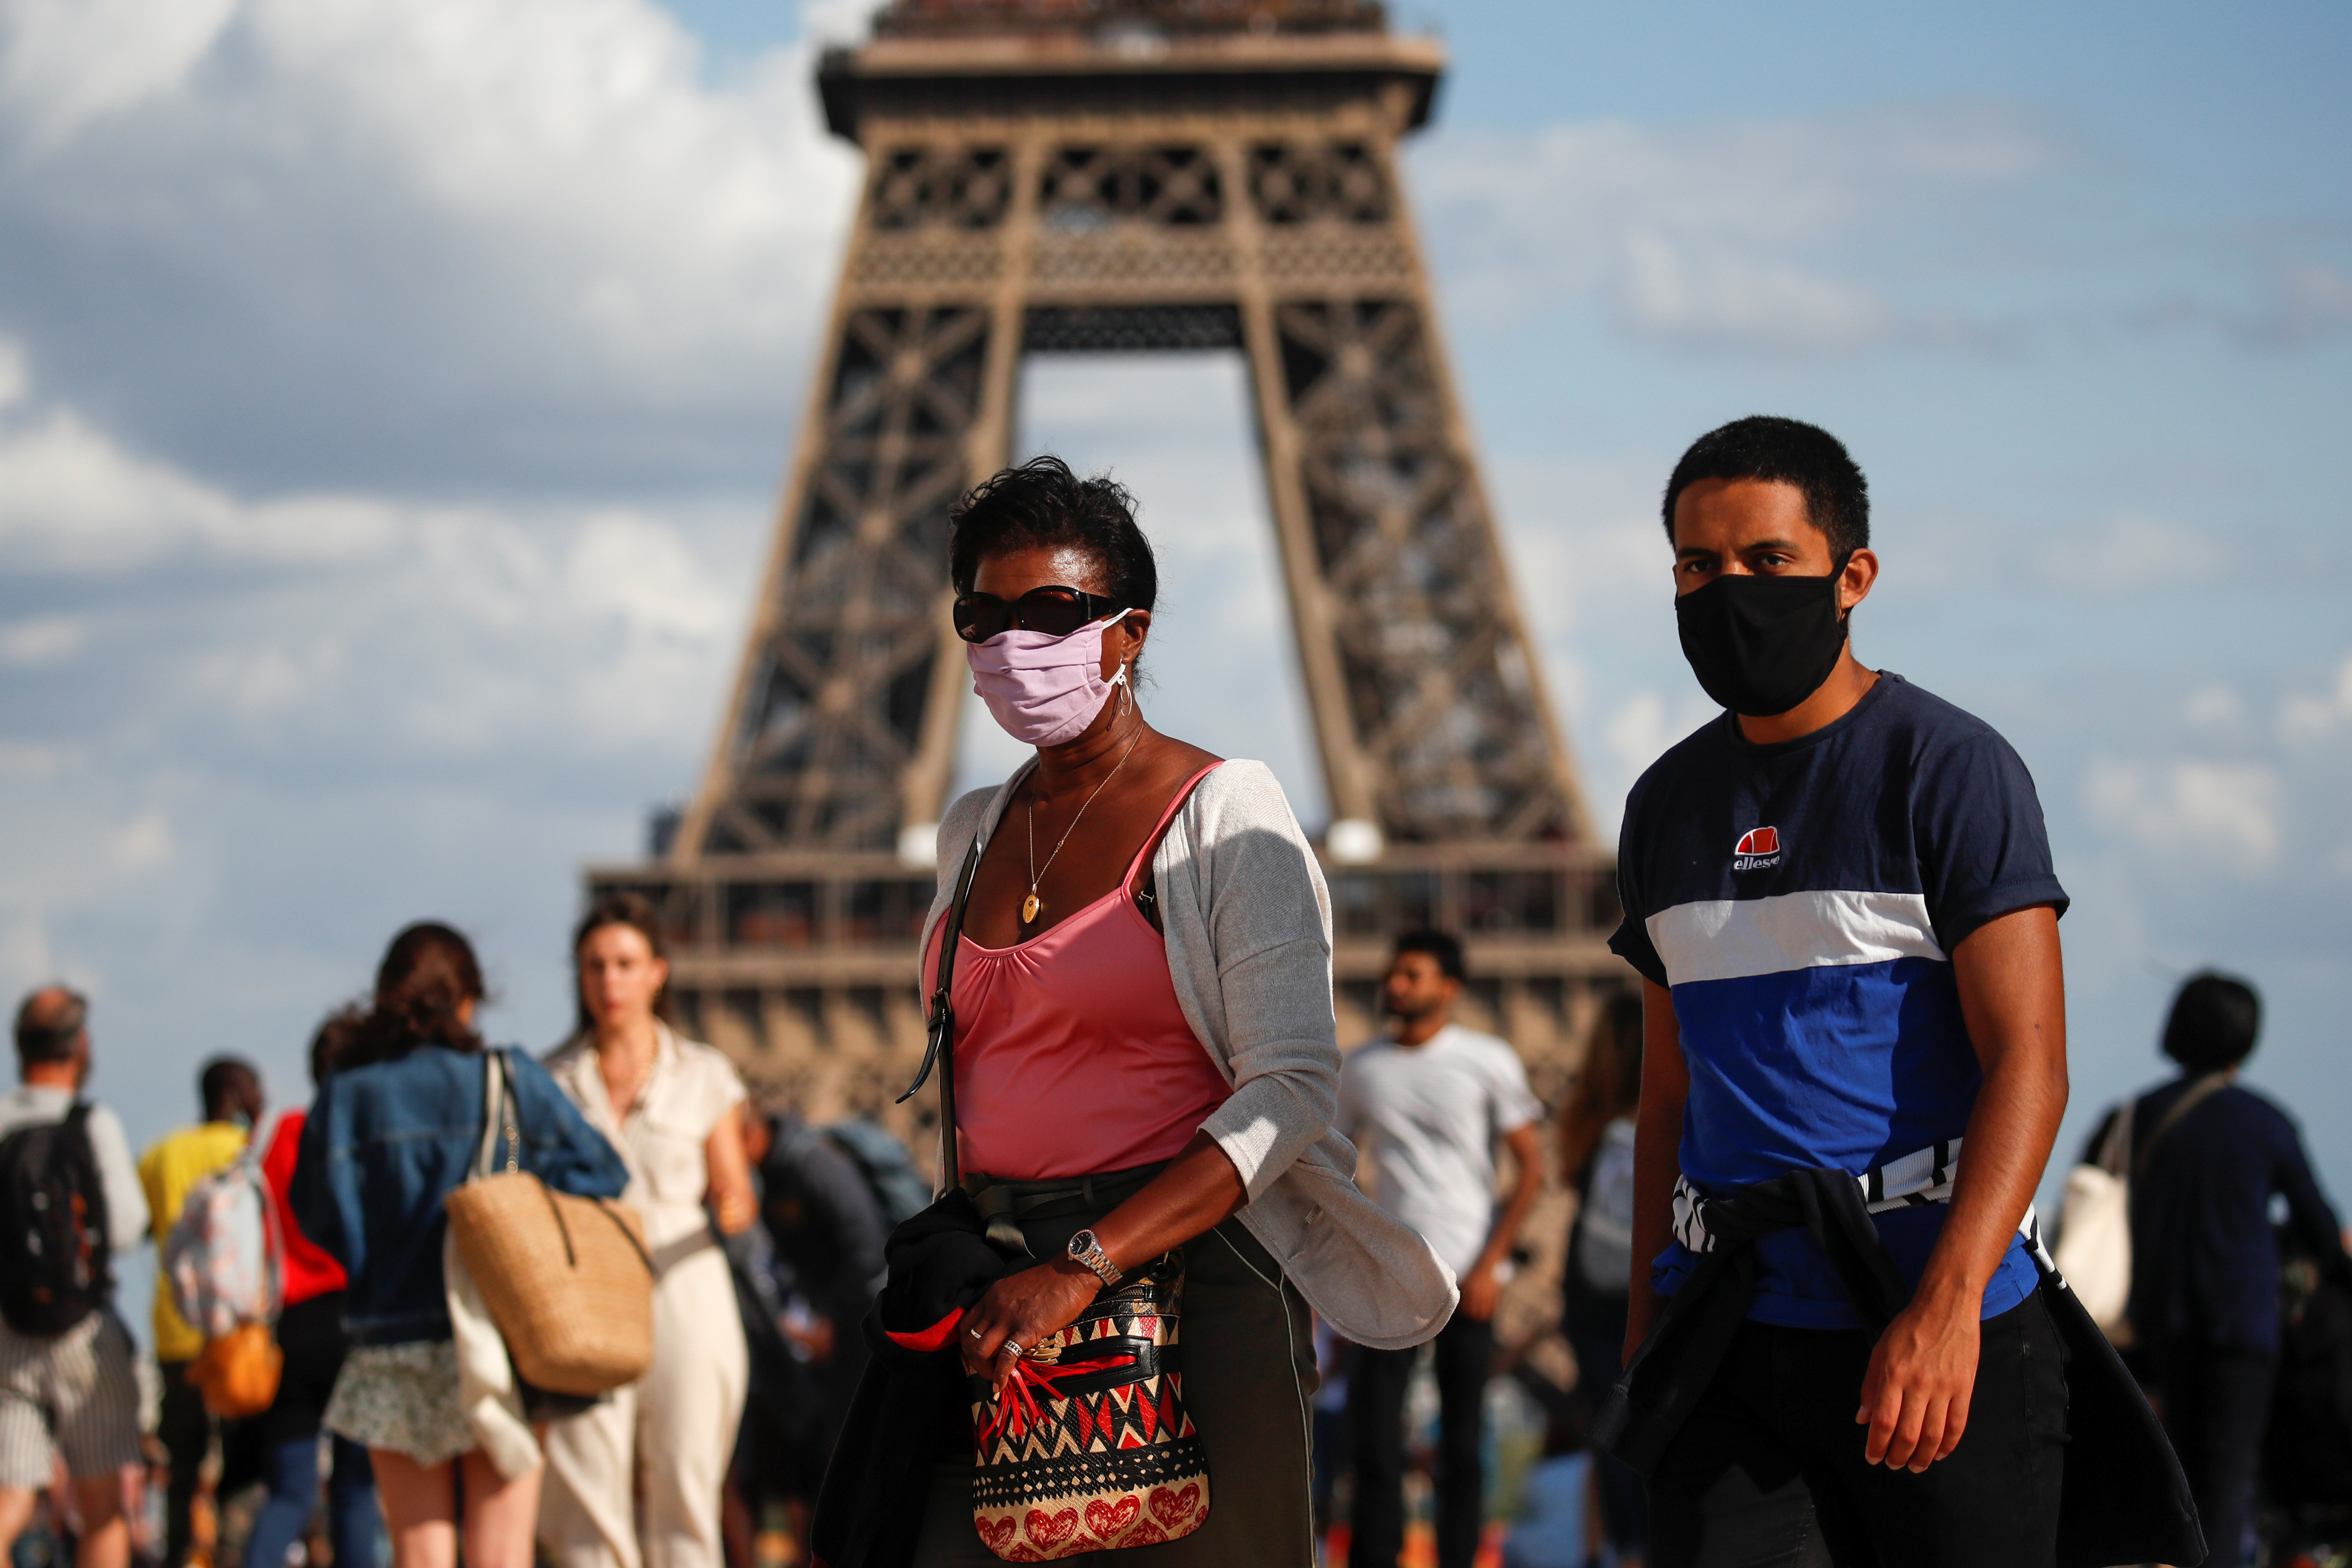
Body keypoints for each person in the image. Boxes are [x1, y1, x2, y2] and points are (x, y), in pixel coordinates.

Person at [892, 455, 1457, 1565]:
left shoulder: (1222, 814)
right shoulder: (968, 830)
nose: (1014, 641)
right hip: (1005, 1288)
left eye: (1052, 610)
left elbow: (1290, 1084)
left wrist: (1087, 1262)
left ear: (1127, 632)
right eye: (984, 614)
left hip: (1192, 1282)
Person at [1610, 417, 2074, 1566]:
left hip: (1931, 1313)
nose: (1727, 591)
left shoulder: (1947, 767)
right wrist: (1642, 1324)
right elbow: (1665, 1091)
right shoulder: (1662, 804)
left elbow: (2028, 1058)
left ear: (1851, 575)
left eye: (1765, 560)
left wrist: (1946, 1308)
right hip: (1729, 1323)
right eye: (1695, 565)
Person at [293, 923, 628, 1568]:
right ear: (468, 996)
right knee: (501, 1553)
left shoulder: (348, 1091)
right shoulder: (506, 1077)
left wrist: (375, 1255)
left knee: (420, 1553)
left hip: (390, 1339)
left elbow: (316, 1212)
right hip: (500, 1340)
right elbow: (604, 1172)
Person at [2088, 971, 2348, 1568]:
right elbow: (2317, 1223)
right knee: (2229, 1470)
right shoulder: (2265, 1121)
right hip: (2242, 1320)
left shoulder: (2139, 1113)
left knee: (2176, 1460)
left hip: (2160, 1317)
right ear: (2245, 1038)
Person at [540, 895, 756, 1568]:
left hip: (684, 1279)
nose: (611, 981)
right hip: (587, 1288)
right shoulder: (550, 1082)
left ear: (657, 971)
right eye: (595, 965)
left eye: (625, 964)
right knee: (583, 1488)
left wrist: (726, 1204)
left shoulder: (704, 1073)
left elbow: (738, 1193)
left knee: (687, 1480)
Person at [1339, 929, 1545, 1568]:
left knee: (1462, 1441)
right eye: (1393, 973)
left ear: (1448, 988)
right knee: (1372, 1438)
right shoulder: (1361, 1067)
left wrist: (1493, 1262)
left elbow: (1530, 1167)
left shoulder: (1486, 1059)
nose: (1395, 984)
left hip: (1468, 1273)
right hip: (1389, 1276)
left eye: (1412, 974)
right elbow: (1333, 1166)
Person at [0, 987, 148, 1568]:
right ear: (80, 1046)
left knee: (12, 1492)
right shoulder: (91, 1121)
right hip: (85, 1330)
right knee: (101, 1501)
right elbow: (128, 1227)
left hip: (7, 1332)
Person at [242, 1010, 378, 1568]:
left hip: (291, 1328)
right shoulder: (370, 1136)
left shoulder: (278, 1133)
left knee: (290, 1491)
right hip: (358, 1319)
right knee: (355, 1487)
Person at [139, 1056, 264, 1568]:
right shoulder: (249, 1152)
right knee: (240, 1463)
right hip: (238, 1334)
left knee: (181, 1467)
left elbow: (140, 1224)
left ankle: (176, 1555)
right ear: (241, 1097)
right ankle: (234, 1555)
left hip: (175, 1331)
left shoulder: (162, 1155)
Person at [1555, 991, 1646, 1567]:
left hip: (1589, 1287)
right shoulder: (1676, 1108)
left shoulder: (1590, 1117)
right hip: (1657, 1276)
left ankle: (1622, 1550)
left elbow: (1569, 1179)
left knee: (1606, 1426)